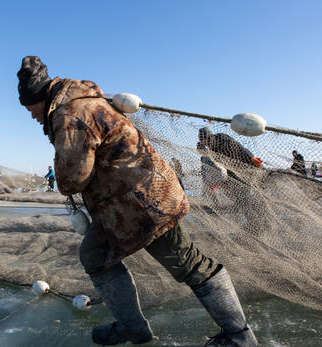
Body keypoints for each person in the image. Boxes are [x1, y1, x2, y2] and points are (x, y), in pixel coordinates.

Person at [17, 56, 257, 346]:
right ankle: (132, 328)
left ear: (40, 98)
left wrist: (62, 169)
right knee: (94, 256)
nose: (32, 116)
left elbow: (73, 179)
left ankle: (239, 336)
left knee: (186, 261)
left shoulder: (69, 114)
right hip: (122, 203)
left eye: (30, 108)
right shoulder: (87, 101)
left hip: (144, 202)